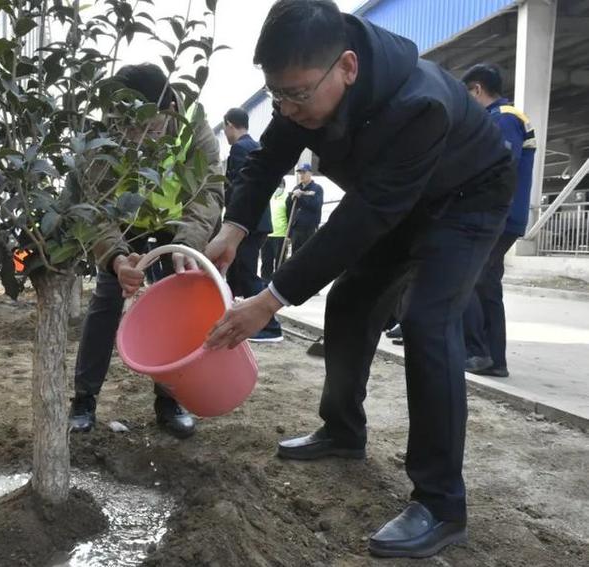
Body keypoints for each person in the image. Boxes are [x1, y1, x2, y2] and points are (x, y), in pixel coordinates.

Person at [203, 0, 515, 558]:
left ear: (347, 67)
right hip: (399, 199)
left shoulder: (419, 105)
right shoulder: (302, 90)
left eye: (297, 95)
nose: (287, 107)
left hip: (467, 197)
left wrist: (269, 300)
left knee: (428, 323)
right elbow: (266, 160)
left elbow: (362, 220)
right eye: (278, 94)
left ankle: (442, 504)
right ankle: (343, 432)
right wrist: (231, 227)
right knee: (349, 303)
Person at [69, 63, 225, 438]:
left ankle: (170, 400)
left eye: (147, 127)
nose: (137, 138)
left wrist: (188, 244)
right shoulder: (104, 130)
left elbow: (208, 192)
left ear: (170, 107)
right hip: (124, 223)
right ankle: (84, 399)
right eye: (129, 128)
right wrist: (116, 257)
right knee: (108, 298)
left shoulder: (194, 127)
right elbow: (96, 206)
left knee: (178, 305)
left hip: (179, 224)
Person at [462, 64, 536, 378]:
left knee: (477, 280)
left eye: (467, 96)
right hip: (501, 213)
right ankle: (490, 357)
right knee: (484, 281)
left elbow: (502, 161)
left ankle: (483, 354)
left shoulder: (504, 116)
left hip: (499, 214)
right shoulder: (502, 116)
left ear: (477, 89)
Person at [222, 107, 283, 342]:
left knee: (246, 272)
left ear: (229, 124)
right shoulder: (255, 145)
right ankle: (240, 317)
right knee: (239, 271)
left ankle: (270, 326)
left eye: (226, 129)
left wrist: (231, 223)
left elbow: (239, 188)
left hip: (249, 224)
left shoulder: (239, 148)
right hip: (258, 222)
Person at [286, 163, 323, 253]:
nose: (301, 175)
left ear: (310, 173)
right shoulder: (297, 188)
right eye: (300, 173)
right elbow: (289, 207)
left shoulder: (317, 188)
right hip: (296, 229)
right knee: (295, 255)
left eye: (304, 172)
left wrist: (301, 197)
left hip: (309, 229)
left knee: (308, 255)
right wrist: (290, 199)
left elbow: (316, 206)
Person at [261, 180, 289, 280]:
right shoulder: (269, 197)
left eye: (280, 186)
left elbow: (289, 215)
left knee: (280, 262)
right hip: (268, 234)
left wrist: (289, 235)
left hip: (281, 235)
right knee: (266, 262)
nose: (278, 188)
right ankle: (265, 283)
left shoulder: (287, 197)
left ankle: (278, 283)